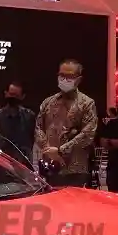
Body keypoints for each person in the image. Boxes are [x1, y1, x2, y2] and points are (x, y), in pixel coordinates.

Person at [34, 59, 98, 187]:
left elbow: (88, 134)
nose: (64, 79)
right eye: (61, 75)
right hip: (50, 166)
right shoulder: (48, 102)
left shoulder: (87, 103)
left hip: (74, 169)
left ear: (79, 79)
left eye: (69, 76)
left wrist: (60, 151)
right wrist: (49, 150)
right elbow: (38, 128)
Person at [0, 81, 36, 166]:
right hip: (2, 162)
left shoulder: (29, 116)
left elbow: (32, 140)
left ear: (22, 96)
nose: (13, 98)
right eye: (11, 94)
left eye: (16, 96)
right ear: (6, 93)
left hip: (23, 163)